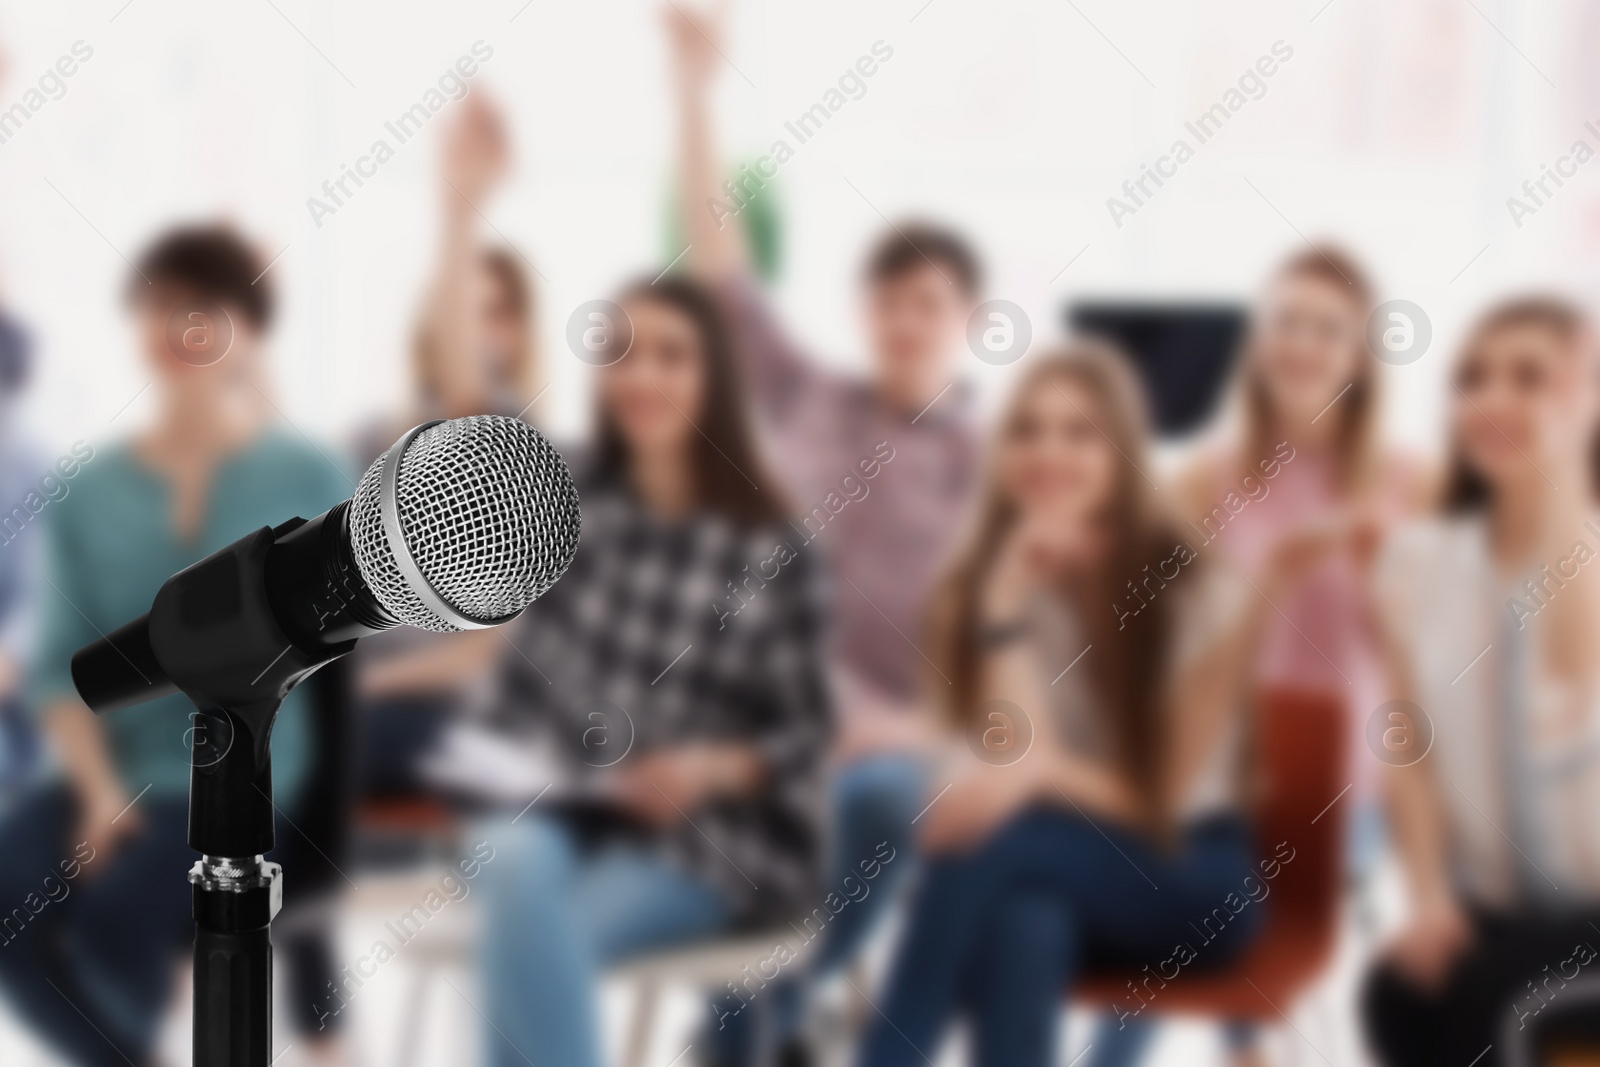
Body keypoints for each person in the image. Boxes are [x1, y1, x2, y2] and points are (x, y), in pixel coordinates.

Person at [668, 9, 980, 1057]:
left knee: (883, 801)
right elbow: (720, 267)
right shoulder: (805, 393)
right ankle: (764, 1027)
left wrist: (909, 728)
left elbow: (1019, 646)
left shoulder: (992, 463)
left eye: (927, 304)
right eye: (888, 301)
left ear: (966, 319)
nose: (904, 321)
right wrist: (694, 89)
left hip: (898, 735)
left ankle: (755, 1028)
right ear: (863, 312)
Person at [858, 344, 1277, 1067]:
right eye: (1028, 430)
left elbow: (1162, 803)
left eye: (1080, 432)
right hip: (1057, 871)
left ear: (1122, 450)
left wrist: (1039, 776)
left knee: (988, 850)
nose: (1049, 451)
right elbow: (1014, 751)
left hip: (1196, 881)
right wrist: (1005, 604)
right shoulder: (993, 576)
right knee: (1026, 919)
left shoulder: (1196, 588)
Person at [0, 225, 351, 1066]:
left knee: (113, 929)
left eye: (202, 310)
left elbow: (344, 640)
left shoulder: (303, 472)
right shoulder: (90, 487)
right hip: (109, 765)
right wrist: (95, 797)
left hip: (254, 771)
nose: (178, 328)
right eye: (160, 308)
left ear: (246, 330)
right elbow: (59, 669)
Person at [473, 275, 831, 1067]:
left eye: (673, 356)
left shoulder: (772, 546)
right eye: (624, 355)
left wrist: (708, 766)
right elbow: (514, 697)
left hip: (704, 840)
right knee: (509, 859)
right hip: (556, 816)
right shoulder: (569, 514)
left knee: (526, 949)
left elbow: (808, 735)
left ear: (716, 381)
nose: (643, 377)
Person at [1087, 246, 1430, 1067]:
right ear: (1256, 340)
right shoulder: (1203, 480)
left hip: (1343, 788)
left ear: (1361, 357)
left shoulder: (1411, 481)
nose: (1303, 344)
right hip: (1225, 775)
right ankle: (1243, 1052)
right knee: (1163, 871)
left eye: (1328, 329)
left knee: (1196, 888)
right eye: (1286, 322)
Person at [1363, 297, 1600, 1066]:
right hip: (1497, 908)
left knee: (1506, 1002)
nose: (1492, 399)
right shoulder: (1416, 561)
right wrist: (1429, 897)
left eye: (1530, 379)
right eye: (1472, 379)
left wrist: (1562, 466)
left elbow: (1572, 664)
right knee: (1401, 995)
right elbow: (1412, 754)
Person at [355, 93, 541, 802]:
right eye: (465, 306)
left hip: (449, 712)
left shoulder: (525, 459)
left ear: (520, 334)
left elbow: (483, 651)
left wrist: (460, 207)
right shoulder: (371, 444)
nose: (478, 327)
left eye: (497, 311)